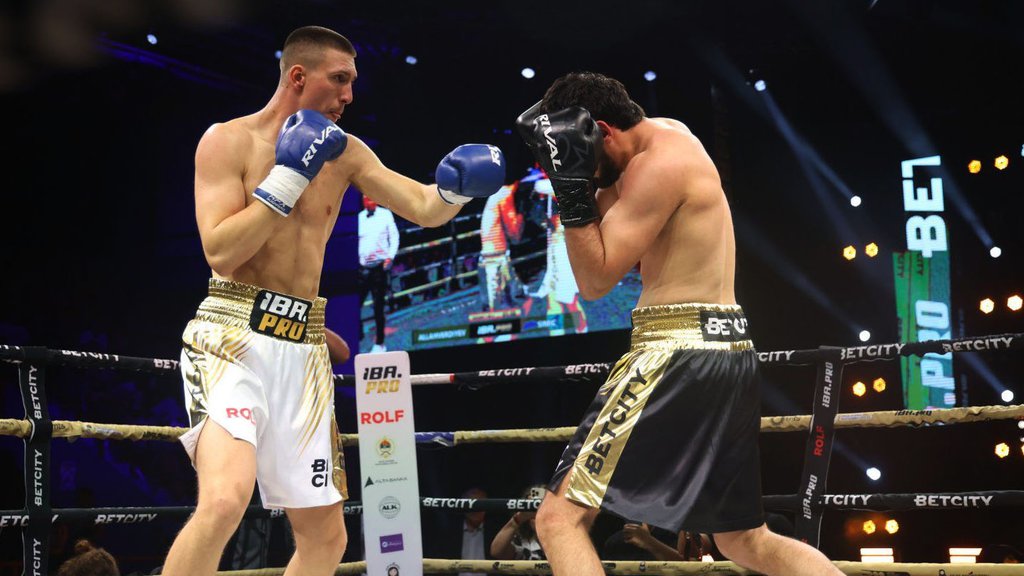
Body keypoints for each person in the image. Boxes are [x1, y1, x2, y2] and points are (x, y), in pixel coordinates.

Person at [165, 26, 505, 576]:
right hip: (232, 337)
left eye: (353, 82)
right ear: (299, 76)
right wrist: (287, 177)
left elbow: (423, 207)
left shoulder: (346, 152)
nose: (349, 95)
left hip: (302, 350)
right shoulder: (228, 141)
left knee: (326, 539)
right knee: (225, 501)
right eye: (339, 79)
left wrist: (456, 189)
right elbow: (221, 252)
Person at [516, 71, 842, 576]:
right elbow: (605, 219)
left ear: (602, 132)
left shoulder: (660, 166)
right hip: (726, 350)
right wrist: (567, 163)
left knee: (559, 520)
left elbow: (595, 279)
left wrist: (569, 186)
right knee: (744, 540)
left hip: (675, 352)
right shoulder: (664, 139)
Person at [357, 195, 399, 352]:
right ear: (363, 201)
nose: (370, 201)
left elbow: (394, 236)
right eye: (367, 198)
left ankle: (380, 342)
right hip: (362, 269)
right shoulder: (359, 218)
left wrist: (390, 257)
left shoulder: (385, 215)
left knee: (378, 307)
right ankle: (358, 335)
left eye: (372, 198)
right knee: (355, 305)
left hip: (379, 269)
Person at [478, 183, 525, 312]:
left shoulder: (497, 194)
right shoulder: (505, 194)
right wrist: (521, 217)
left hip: (491, 252)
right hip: (495, 255)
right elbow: (514, 233)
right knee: (498, 304)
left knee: (503, 296)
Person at [490, 486, 546, 561]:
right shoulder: (521, 539)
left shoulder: (560, 535)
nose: (536, 510)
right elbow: (497, 552)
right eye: (533, 507)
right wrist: (518, 518)